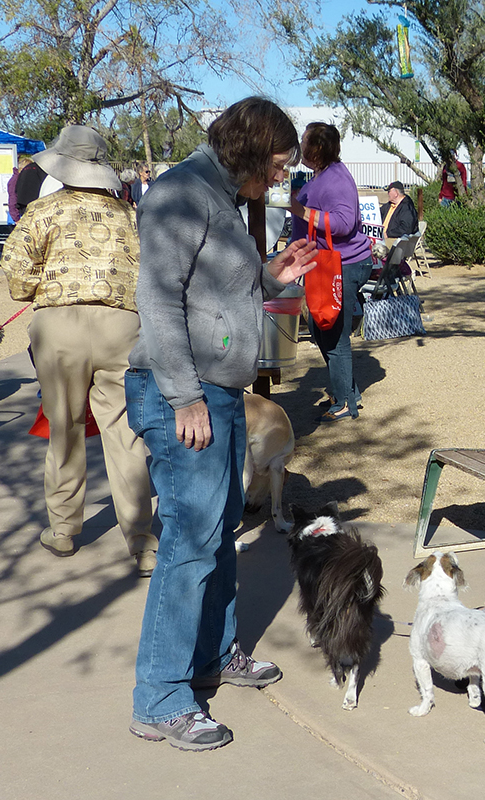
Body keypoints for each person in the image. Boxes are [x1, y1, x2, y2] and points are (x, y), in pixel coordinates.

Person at [125, 96, 317, 751]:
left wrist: (270, 275)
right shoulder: (179, 193)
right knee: (188, 540)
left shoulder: (218, 193)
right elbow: (159, 298)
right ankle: (161, 699)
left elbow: (214, 290)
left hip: (221, 389)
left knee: (221, 527)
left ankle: (213, 651)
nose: (282, 176)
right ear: (250, 149)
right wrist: (183, 396)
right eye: (278, 163)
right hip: (184, 391)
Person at [0, 125, 158, 577]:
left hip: (60, 326)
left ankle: (65, 528)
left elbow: (16, 271)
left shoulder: (42, 211)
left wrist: (37, 288)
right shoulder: (130, 215)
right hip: (122, 327)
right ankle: (142, 540)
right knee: (126, 432)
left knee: (64, 428)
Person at [290, 122, 374, 422]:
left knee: (334, 335)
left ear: (317, 148)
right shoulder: (319, 178)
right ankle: (348, 393)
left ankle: (343, 403)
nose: (300, 146)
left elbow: (343, 223)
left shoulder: (336, 178)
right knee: (318, 327)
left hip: (345, 264)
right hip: (326, 264)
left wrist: (301, 211)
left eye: (304, 141)